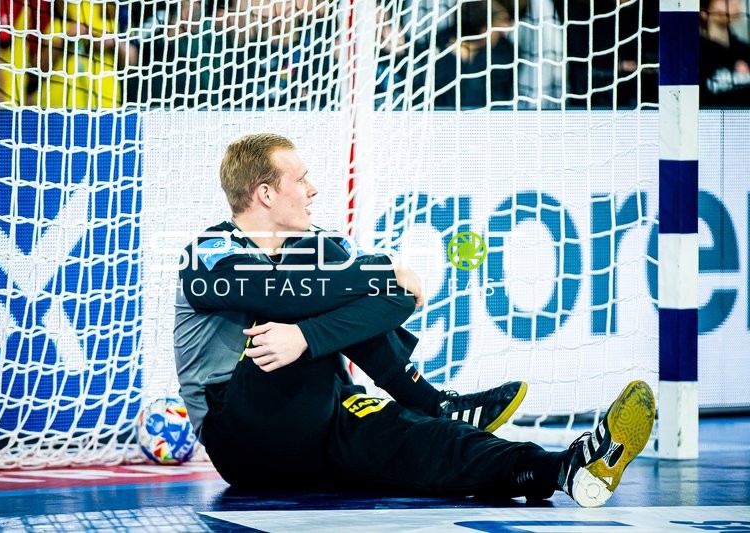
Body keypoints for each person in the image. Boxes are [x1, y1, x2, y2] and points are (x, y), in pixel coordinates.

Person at [173, 133, 655, 506]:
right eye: (300, 179)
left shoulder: (320, 245)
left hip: (324, 413)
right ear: (265, 195)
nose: (313, 189)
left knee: (432, 442)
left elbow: (397, 300)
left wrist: (307, 336)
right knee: (304, 305)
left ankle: (571, 469)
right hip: (241, 432)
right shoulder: (208, 253)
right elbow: (278, 297)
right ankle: (434, 401)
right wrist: (374, 275)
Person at [700, 0, 750, 107]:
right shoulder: (696, 55)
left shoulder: (744, 50)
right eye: (725, 0)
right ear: (704, 12)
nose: (735, 2)